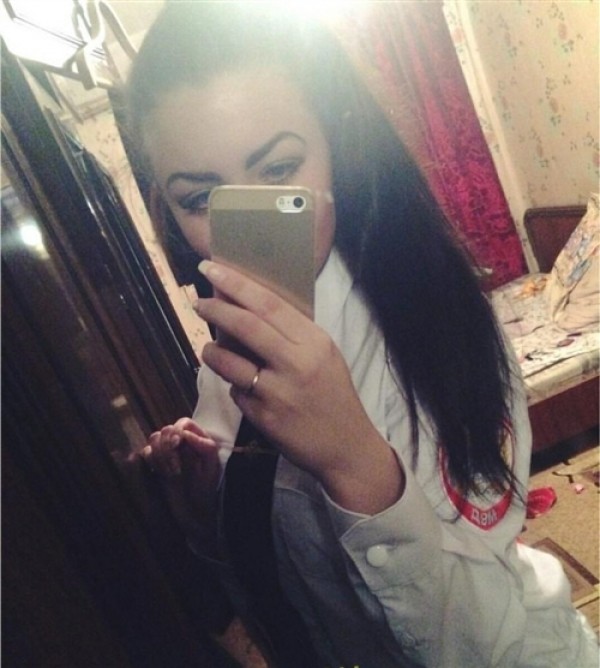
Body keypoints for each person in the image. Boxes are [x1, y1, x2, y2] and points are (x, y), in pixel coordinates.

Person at [126, 3, 598, 666]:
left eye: (279, 170)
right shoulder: (222, 360)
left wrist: (356, 464)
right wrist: (205, 513)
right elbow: (280, 589)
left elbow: (482, 647)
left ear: (336, 148)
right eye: (202, 200)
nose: (256, 225)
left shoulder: (434, 328)